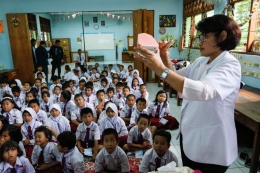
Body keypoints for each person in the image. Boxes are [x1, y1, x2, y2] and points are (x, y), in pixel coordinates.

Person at [134, 14, 241, 173]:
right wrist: (165, 57)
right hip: (190, 137)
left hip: (211, 146)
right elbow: (177, 79)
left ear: (222, 36)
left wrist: (159, 68)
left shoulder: (230, 65)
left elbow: (203, 91)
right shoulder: (202, 61)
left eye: (204, 36)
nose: (200, 41)